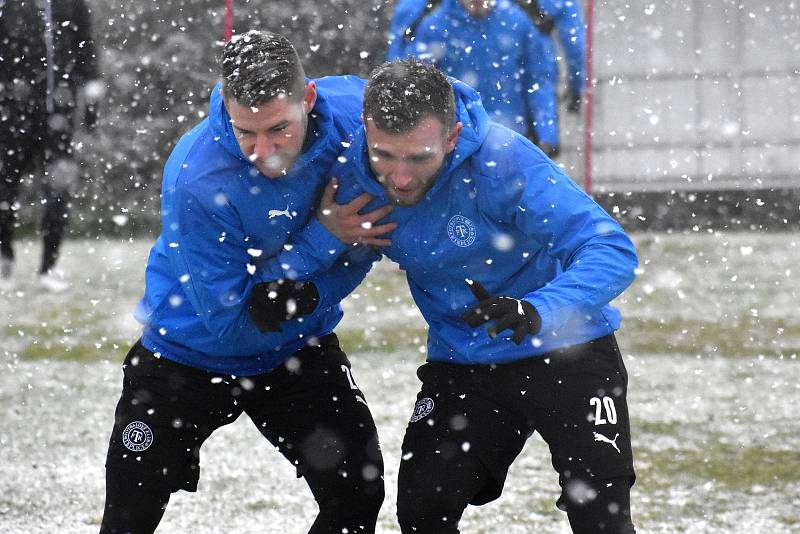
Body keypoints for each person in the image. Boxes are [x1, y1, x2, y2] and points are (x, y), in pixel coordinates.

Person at [99, 30, 396, 534]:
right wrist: (321, 243)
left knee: (359, 493)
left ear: (309, 98)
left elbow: (448, 110)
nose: (264, 150)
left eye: (279, 128)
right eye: (246, 133)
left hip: (296, 346)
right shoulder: (197, 177)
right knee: (129, 516)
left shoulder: (356, 117)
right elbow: (234, 323)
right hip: (185, 353)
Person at [326, 59, 638, 532]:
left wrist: (539, 309)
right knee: (422, 511)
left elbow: (611, 249)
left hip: (568, 350)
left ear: (452, 138)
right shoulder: (352, 172)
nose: (401, 177)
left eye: (419, 157)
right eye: (385, 155)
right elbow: (342, 258)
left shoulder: (505, 161)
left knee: (601, 514)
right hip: (465, 361)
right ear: (367, 131)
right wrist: (306, 273)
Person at [0, 0, 102, 292]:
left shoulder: (71, 4)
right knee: (6, 184)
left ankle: (49, 266)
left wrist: (91, 101)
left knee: (59, 187)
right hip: (12, 112)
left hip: (60, 111)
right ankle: (4, 254)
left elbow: (86, 46)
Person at [406, 0, 561, 157]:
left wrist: (546, 133)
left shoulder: (517, 22)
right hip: (457, 143)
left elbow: (537, 80)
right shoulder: (434, 26)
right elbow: (419, 87)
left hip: (509, 139)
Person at [518, 0, 586, 113]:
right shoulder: (558, 4)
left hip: (499, 81)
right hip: (540, 75)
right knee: (542, 122)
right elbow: (574, 48)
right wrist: (575, 90)